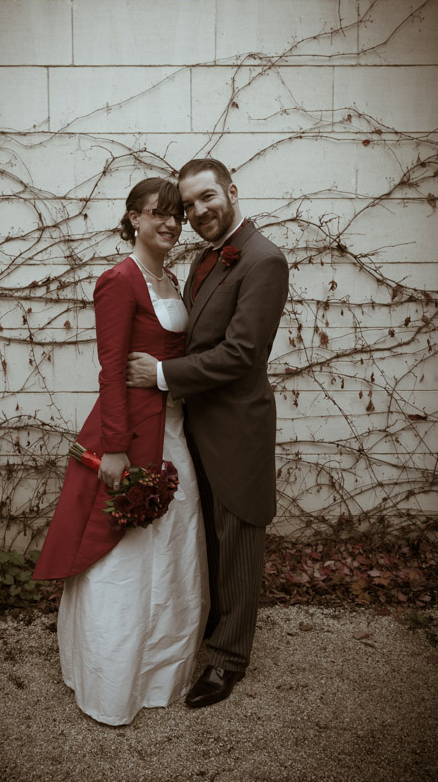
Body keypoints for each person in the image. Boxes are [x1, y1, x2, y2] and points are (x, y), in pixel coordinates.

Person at [33, 177, 209, 726]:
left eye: (177, 215)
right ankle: (112, 681)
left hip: (174, 430)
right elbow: (112, 368)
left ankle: (161, 673)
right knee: (123, 556)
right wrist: (113, 449)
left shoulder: (170, 277)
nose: (173, 224)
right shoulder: (118, 280)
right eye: (160, 214)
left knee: (174, 547)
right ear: (133, 217)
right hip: (130, 433)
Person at [126, 158, 289, 709]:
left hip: (236, 427)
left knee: (239, 540)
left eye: (205, 199)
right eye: (188, 205)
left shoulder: (264, 260)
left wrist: (163, 375)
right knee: (211, 542)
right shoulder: (202, 260)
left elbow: (242, 354)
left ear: (232, 192)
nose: (196, 213)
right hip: (193, 423)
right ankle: (207, 632)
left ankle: (227, 661)